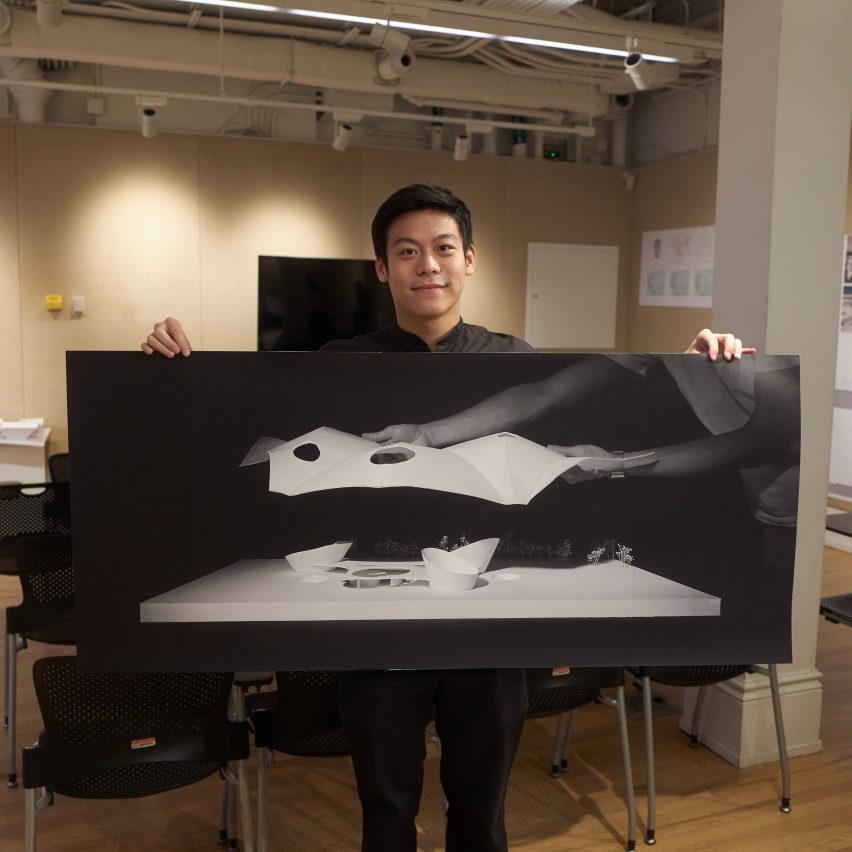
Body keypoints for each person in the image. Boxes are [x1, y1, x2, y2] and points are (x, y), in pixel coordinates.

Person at [142, 183, 749, 852]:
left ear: (469, 260)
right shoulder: (341, 364)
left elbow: (597, 392)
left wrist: (697, 364)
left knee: (483, 816)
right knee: (386, 811)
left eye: (442, 249)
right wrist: (169, 365)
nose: (426, 265)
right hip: (375, 621)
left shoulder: (512, 357)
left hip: (488, 624)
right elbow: (246, 423)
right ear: (382, 268)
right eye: (406, 251)